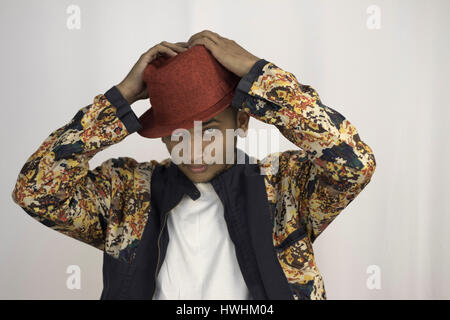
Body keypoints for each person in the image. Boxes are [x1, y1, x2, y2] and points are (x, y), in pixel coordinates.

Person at [11, 30, 376, 300]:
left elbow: (356, 163)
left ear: (243, 122)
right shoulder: (124, 191)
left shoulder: (285, 187)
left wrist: (258, 74)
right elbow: (35, 192)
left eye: (211, 131)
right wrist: (120, 98)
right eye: (177, 133)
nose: (193, 151)